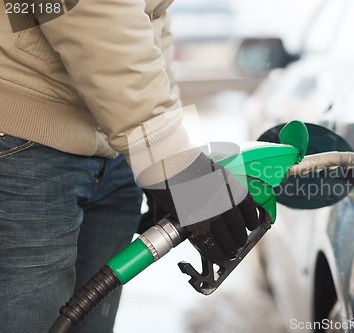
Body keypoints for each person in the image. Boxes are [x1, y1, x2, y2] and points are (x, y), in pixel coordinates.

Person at [0, 1, 259, 332]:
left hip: (114, 151)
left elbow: (152, 18)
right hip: (26, 145)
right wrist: (166, 155)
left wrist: (157, 153)